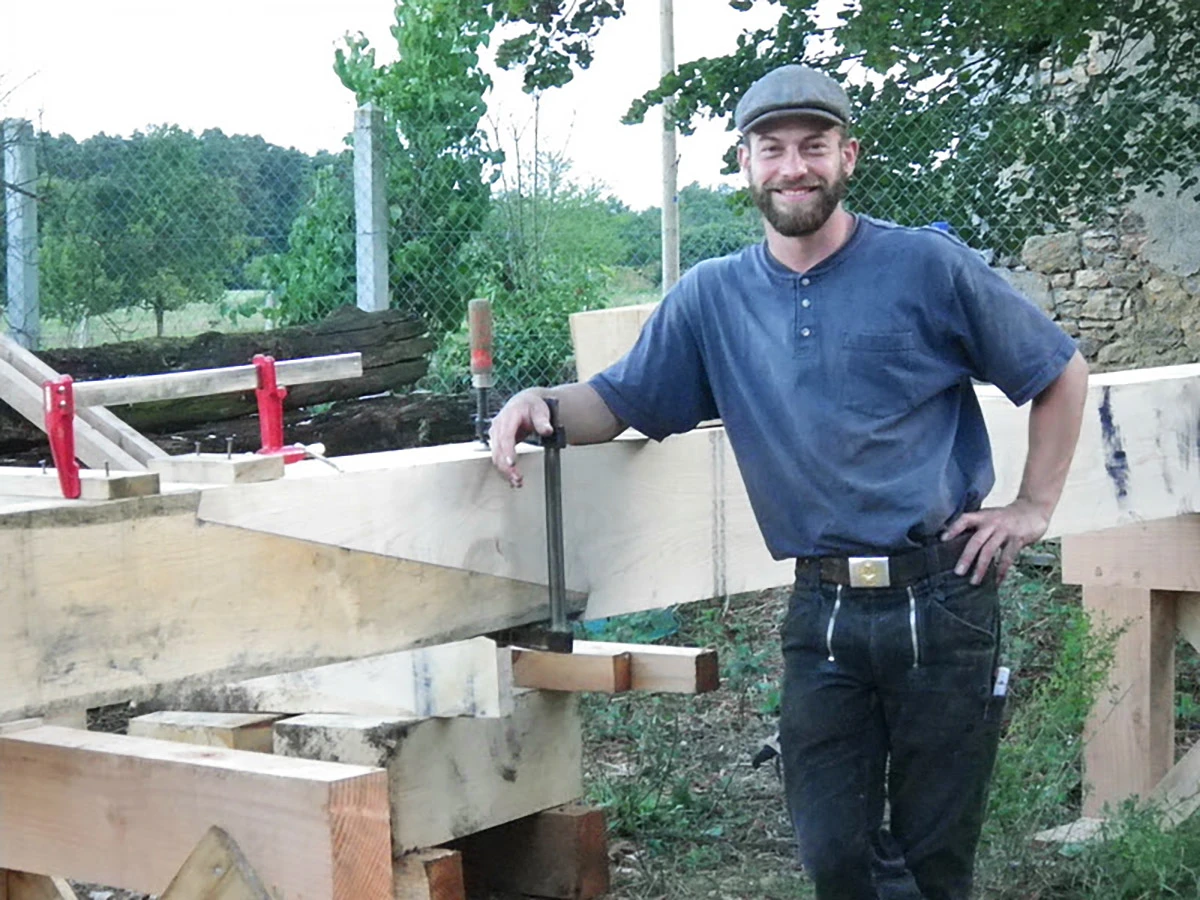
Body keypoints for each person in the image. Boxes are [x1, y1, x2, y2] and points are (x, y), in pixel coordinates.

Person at [488, 63, 1089, 900]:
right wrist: (539, 402)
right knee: (836, 856)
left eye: (813, 147)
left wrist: (1032, 506)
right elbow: (619, 401)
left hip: (945, 598)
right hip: (824, 611)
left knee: (932, 859)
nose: (793, 166)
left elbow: (1058, 370)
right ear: (745, 164)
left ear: (849, 155)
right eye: (772, 149)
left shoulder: (926, 267)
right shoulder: (712, 297)